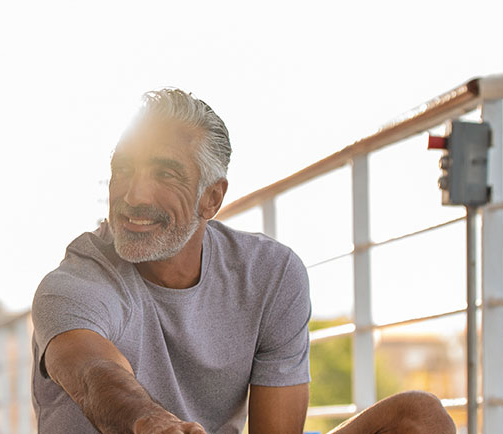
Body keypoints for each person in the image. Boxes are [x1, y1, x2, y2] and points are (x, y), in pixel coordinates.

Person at [30, 88, 457, 434]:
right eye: (123, 170)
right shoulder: (73, 284)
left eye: (165, 174)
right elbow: (94, 373)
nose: (132, 195)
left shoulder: (270, 275)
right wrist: (151, 423)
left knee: (420, 418)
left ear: (212, 198)